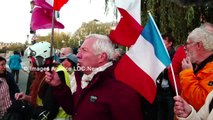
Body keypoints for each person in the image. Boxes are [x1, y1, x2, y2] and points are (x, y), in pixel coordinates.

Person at [45, 34, 145, 120]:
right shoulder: (83, 77)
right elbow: (73, 109)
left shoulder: (121, 87)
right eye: (79, 50)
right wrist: (58, 86)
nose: (77, 55)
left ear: (101, 57)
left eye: (84, 50)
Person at [15, 41, 71, 120]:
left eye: (32, 62)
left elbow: (48, 112)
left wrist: (25, 109)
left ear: (40, 61)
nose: (30, 66)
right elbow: (41, 101)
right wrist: (26, 97)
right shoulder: (44, 71)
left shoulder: (55, 75)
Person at [179, 22, 213, 111]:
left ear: (198, 45)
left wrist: (187, 74)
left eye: (187, 43)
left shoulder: (211, 70)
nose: (184, 47)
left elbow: (203, 103)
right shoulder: (197, 65)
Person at [156, 33, 176, 120]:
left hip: (170, 91)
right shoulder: (160, 54)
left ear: (170, 43)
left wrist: (168, 69)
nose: (162, 43)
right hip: (160, 89)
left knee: (170, 114)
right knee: (160, 113)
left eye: (164, 41)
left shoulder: (174, 55)